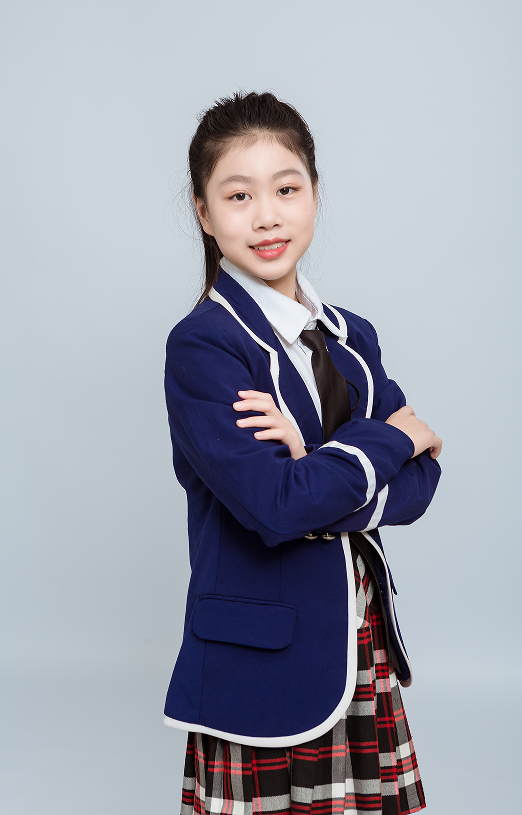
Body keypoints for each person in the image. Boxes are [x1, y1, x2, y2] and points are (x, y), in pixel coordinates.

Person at [163, 91, 442, 815]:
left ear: (315, 193)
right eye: (239, 195)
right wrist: (390, 438)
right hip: (264, 659)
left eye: (286, 189)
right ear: (204, 213)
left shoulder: (352, 336)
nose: (267, 216)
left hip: (357, 637)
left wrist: (313, 459)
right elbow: (275, 508)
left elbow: (421, 485)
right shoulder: (204, 347)